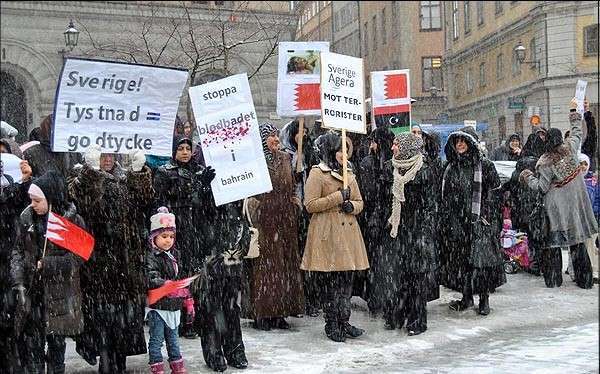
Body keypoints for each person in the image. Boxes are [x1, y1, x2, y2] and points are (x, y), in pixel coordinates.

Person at [68, 146, 153, 372]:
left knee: (123, 320)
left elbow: (144, 200)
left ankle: (120, 360)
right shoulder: (81, 178)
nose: (106, 159)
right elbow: (82, 203)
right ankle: (105, 360)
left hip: (125, 263)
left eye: (110, 154)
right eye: (102, 155)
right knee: (102, 319)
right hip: (98, 263)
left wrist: (139, 173)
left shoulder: (125, 179)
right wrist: (91, 172)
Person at [10, 170, 85, 373]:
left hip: (59, 296)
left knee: (56, 350)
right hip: (33, 295)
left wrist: (50, 264)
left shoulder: (71, 221)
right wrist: (18, 281)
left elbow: (77, 258)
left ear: (50, 198)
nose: (32, 204)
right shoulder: (27, 219)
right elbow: (17, 251)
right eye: (31, 199)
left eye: (37, 200)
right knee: (32, 349)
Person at [519, 99, 598, 289]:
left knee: (553, 246)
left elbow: (541, 188)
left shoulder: (545, 162)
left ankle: (554, 281)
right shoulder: (570, 149)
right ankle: (584, 280)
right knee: (578, 243)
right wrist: (574, 112)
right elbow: (578, 131)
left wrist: (527, 176)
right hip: (576, 207)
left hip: (556, 211)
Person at [301, 131, 369, 342]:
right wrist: (338, 197)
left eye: (345, 151)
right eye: (339, 150)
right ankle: (332, 323)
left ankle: (344, 321)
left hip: (348, 234)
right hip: (327, 233)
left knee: (346, 282)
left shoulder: (350, 172)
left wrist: (353, 206)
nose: (343, 154)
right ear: (331, 151)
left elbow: (360, 201)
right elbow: (310, 204)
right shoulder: (317, 173)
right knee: (331, 283)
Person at [153, 136, 216, 339]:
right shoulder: (165, 172)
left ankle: (193, 318)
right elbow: (161, 202)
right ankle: (179, 320)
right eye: (180, 148)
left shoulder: (199, 171)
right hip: (175, 230)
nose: (185, 152)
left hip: (196, 229)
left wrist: (206, 186)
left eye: (188, 148)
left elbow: (207, 203)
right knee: (177, 275)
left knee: (194, 275)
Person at [439, 130, 505, 316]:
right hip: (457, 222)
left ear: (471, 143)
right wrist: (450, 221)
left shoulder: (485, 165)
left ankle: (484, 299)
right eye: (457, 141)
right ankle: (466, 297)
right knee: (462, 263)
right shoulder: (450, 167)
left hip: (480, 222)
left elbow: (496, 193)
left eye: (463, 141)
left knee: (481, 263)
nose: (459, 144)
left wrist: (488, 215)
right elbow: (446, 197)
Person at [245, 123, 304, 330]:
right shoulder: (254, 162)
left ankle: (280, 312)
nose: (276, 139)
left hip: (285, 219)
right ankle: (262, 313)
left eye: (277, 135)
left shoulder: (286, 158)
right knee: (265, 268)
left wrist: (295, 200)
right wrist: (255, 204)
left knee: (284, 266)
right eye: (271, 135)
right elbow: (249, 191)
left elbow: (292, 184)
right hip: (265, 219)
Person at [380, 133, 438, 335]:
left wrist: (424, 232)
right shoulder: (389, 168)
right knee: (396, 277)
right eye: (394, 143)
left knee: (417, 280)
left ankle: (417, 321)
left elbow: (431, 205)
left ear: (406, 148)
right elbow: (382, 200)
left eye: (397, 144)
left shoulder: (425, 170)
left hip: (417, 233)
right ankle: (396, 315)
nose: (393, 147)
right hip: (395, 231)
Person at [194, 200, 250, 372]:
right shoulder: (202, 179)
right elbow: (196, 213)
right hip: (209, 256)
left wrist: (243, 243)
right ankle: (214, 353)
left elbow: (243, 219)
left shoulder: (236, 197)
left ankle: (235, 351)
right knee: (211, 308)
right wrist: (203, 190)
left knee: (232, 308)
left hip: (232, 258)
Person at [279, 119, 320, 316]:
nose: (302, 135)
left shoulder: (312, 154)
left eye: (304, 131)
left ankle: (312, 297)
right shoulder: (285, 156)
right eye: (298, 132)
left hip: (308, 211)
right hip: (290, 212)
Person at [0, 138, 32, 373]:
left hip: (12, 265)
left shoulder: (16, 189)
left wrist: (26, 180)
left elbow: (22, 201)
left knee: (13, 327)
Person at [356, 125, 394, 315]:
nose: (371, 145)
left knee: (381, 263)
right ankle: (377, 298)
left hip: (382, 220)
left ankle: (380, 298)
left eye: (374, 141)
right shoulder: (368, 163)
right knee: (377, 262)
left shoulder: (392, 164)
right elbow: (368, 193)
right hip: (375, 220)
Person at [145, 207, 188, 374]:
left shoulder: (175, 255)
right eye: (164, 236)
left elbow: (182, 277)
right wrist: (166, 285)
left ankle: (177, 365)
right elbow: (150, 277)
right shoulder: (151, 256)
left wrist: (187, 296)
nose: (168, 240)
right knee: (156, 339)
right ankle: (157, 366)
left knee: (173, 339)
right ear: (154, 237)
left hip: (173, 306)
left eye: (171, 237)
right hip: (158, 306)